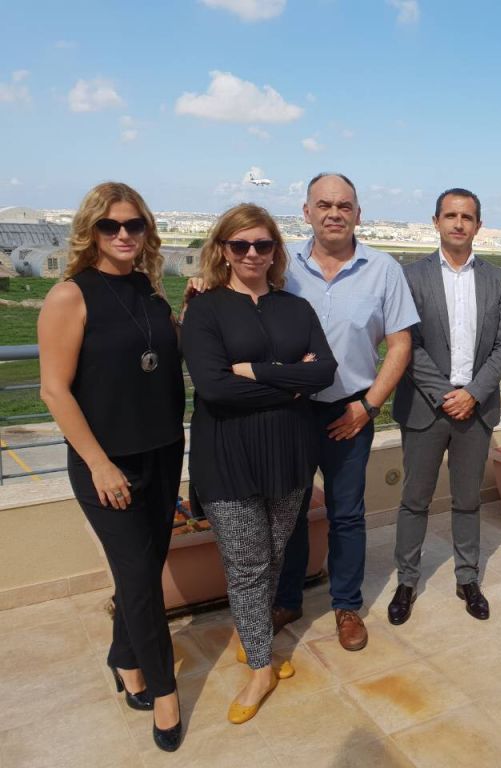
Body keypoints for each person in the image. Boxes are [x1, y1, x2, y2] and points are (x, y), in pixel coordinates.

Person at [38, 181, 185, 751]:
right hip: (108, 463)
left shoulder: (151, 291)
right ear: (91, 231)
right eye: (110, 226)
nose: (123, 235)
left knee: (145, 571)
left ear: (146, 230)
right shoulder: (69, 296)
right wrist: (98, 464)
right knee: (140, 580)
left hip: (163, 451)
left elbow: (156, 358)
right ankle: (165, 694)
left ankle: (123, 657)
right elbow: (54, 390)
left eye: (133, 225)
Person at [182, 204, 337, 724]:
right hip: (226, 454)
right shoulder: (204, 310)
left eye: (262, 245)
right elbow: (213, 387)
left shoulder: (296, 309)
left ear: (276, 250)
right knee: (247, 564)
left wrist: (256, 370)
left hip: (289, 454)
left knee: (271, 554)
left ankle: (257, 644)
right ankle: (261, 667)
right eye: (240, 245)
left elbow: (326, 372)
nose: (251, 254)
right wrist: (289, 383)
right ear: (222, 249)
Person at [274, 173, 418, 651]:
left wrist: (369, 406)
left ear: (358, 213)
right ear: (307, 211)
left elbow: (400, 344)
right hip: (290, 411)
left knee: (348, 515)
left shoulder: (383, 269)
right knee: (289, 512)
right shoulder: (281, 263)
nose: (333, 213)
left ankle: (346, 606)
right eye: (324, 204)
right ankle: (288, 598)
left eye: (344, 205)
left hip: (350, 411)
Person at [387, 188, 501, 624]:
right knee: (414, 500)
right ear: (436, 221)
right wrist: (446, 394)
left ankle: (467, 577)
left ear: (478, 225)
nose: (459, 223)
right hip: (427, 406)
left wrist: (473, 394)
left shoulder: (497, 280)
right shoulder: (410, 276)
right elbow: (408, 345)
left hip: (475, 409)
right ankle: (407, 581)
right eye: (450, 215)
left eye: (467, 216)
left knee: (467, 500)